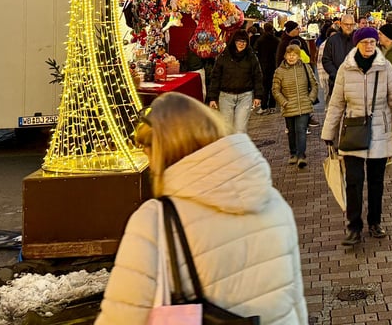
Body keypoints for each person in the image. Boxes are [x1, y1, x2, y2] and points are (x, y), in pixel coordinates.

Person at [96, 93, 307, 324]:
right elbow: (295, 301)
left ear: (163, 149)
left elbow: (121, 315)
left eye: (147, 148)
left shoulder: (154, 220)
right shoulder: (273, 202)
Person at [321, 26, 392, 247]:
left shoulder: (384, 66)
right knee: (353, 181)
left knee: (376, 181)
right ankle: (354, 226)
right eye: (364, 42)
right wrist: (328, 132)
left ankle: (375, 222)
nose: (369, 46)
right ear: (356, 44)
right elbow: (336, 103)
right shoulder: (346, 69)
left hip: (380, 129)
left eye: (372, 42)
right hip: (353, 130)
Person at [271, 39, 319, 169]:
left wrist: (310, 98)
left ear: (299, 56)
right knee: (291, 131)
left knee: (301, 130)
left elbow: (314, 84)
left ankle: (301, 155)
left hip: (304, 104)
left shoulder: (305, 67)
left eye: (294, 55)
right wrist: (284, 102)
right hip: (288, 106)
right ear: (285, 56)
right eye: (289, 54)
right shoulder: (279, 71)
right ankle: (293, 153)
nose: (292, 57)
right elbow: (275, 89)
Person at [206, 30, 263, 135]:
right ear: (233, 42)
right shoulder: (224, 56)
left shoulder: (251, 56)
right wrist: (212, 98)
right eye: (239, 41)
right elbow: (215, 77)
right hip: (226, 96)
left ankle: (240, 149)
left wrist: (258, 96)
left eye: (244, 41)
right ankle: (230, 150)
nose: (241, 44)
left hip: (245, 96)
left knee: (240, 129)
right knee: (227, 129)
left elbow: (257, 76)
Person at [321, 13, 355, 102]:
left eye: (351, 24)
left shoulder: (357, 40)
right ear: (341, 24)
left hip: (355, 83)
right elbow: (326, 60)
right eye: (346, 24)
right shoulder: (333, 40)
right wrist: (336, 74)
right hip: (336, 83)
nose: (349, 27)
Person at [253, 22, 280, 114]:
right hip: (273, 65)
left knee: (264, 87)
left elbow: (255, 50)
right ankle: (272, 106)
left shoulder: (260, 40)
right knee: (273, 86)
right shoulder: (276, 40)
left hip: (263, 65)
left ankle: (264, 106)